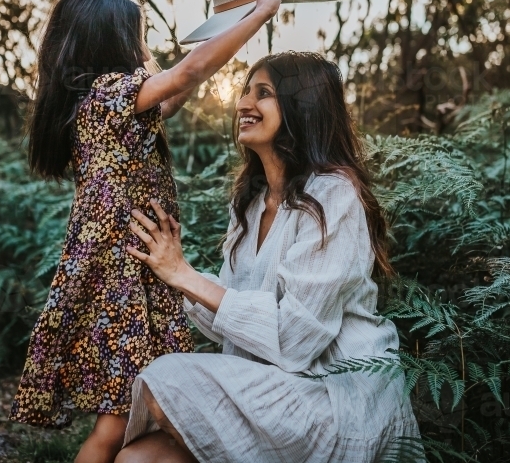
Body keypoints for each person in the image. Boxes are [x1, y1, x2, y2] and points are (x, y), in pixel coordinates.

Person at [9, 0, 297, 463]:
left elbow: (175, 93)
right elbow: (191, 71)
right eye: (136, 35)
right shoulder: (108, 95)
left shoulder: (105, 104)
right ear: (111, 43)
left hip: (129, 272)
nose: (144, 47)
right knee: (115, 425)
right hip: (123, 277)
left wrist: (225, 19)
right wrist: (261, 12)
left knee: (122, 421)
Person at [117, 52, 424, 463]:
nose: (244, 104)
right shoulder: (250, 203)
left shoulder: (334, 195)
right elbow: (228, 324)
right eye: (245, 91)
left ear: (303, 107)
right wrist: (165, 272)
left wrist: (186, 276)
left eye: (264, 94)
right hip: (269, 383)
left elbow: (295, 341)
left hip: (333, 394)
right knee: (138, 459)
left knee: (165, 381)